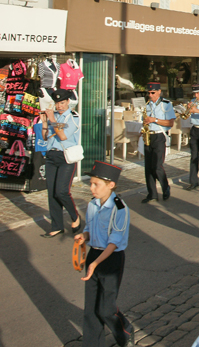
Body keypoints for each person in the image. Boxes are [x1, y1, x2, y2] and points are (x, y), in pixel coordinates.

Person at [75, 161, 134, 347]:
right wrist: (83, 236)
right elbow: (92, 230)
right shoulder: (92, 205)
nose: (91, 188)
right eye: (90, 183)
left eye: (96, 184)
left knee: (106, 309)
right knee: (91, 309)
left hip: (111, 259)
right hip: (94, 254)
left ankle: (125, 332)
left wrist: (95, 264)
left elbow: (113, 242)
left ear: (111, 185)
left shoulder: (120, 208)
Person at [40, 89, 82, 238]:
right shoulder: (55, 116)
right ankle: (57, 226)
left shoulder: (73, 118)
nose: (59, 106)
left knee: (61, 191)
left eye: (62, 103)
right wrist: (45, 123)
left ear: (68, 102)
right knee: (52, 193)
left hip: (66, 157)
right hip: (51, 155)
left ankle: (75, 216)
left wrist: (51, 119)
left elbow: (63, 136)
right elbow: (46, 137)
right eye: (57, 103)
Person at [142, 82, 174, 203]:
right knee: (148, 167)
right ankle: (152, 193)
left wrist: (154, 120)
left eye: (153, 93)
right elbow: (144, 120)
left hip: (159, 136)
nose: (150, 95)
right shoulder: (147, 105)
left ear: (159, 92)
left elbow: (170, 123)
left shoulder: (166, 104)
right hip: (148, 136)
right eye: (149, 93)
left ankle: (165, 187)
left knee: (157, 166)